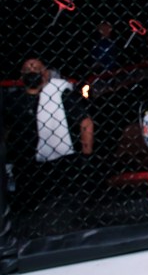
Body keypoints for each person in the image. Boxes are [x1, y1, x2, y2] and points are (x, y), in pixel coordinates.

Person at [3, 58, 94, 237]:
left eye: (36, 67)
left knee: (65, 211)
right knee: (28, 216)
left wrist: (86, 156)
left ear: (45, 73)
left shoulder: (60, 94)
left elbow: (85, 122)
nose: (32, 70)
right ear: (21, 75)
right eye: (28, 68)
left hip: (61, 164)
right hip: (26, 166)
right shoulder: (14, 101)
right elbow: (6, 130)